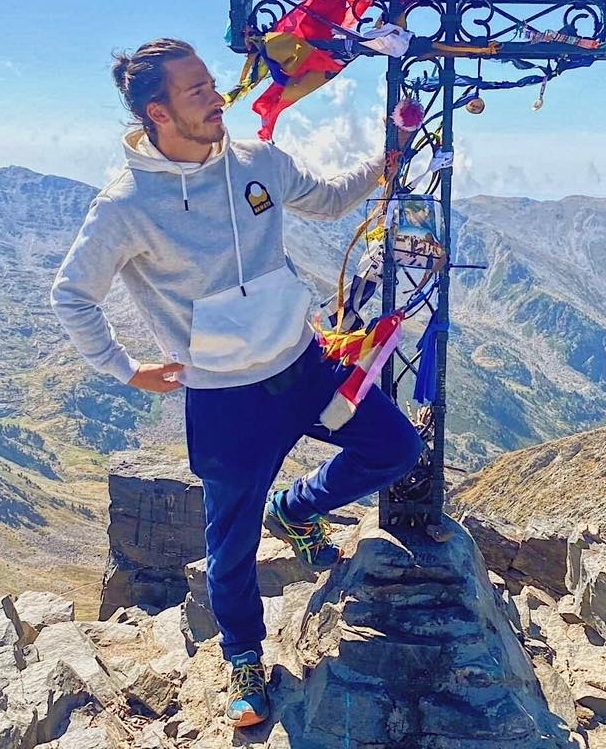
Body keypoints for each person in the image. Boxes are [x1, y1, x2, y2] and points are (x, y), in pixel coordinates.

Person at [51, 38, 423, 728]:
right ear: (158, 112)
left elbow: (329, 199)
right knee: (231, 547)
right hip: (226, 401)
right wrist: (125, 368)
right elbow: (72, 295)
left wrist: (384, 161)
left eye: (212, 83)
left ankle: (299, 508)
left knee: (397, 449)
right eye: (197, 91)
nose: (217, 97)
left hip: (305, 365)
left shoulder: (257, 162)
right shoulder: (126, 206)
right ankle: (245, 658)